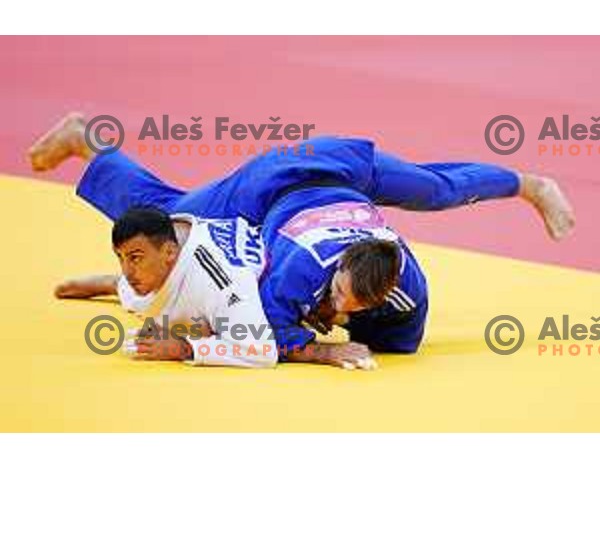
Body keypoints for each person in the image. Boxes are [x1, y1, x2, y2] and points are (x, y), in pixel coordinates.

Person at [29, 113, 575, 369]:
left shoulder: (404, 279)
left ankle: (530, 185)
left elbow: (401, 335)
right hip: (275, 182)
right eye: (338, 297)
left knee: (436, 190)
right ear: (336, 270)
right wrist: (327, 347)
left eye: (350, 308)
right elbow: (262, 337)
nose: (338, 311)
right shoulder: (294, 271)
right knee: (168, 220)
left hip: (347, 177)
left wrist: (351, 321)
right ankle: (88, 142)